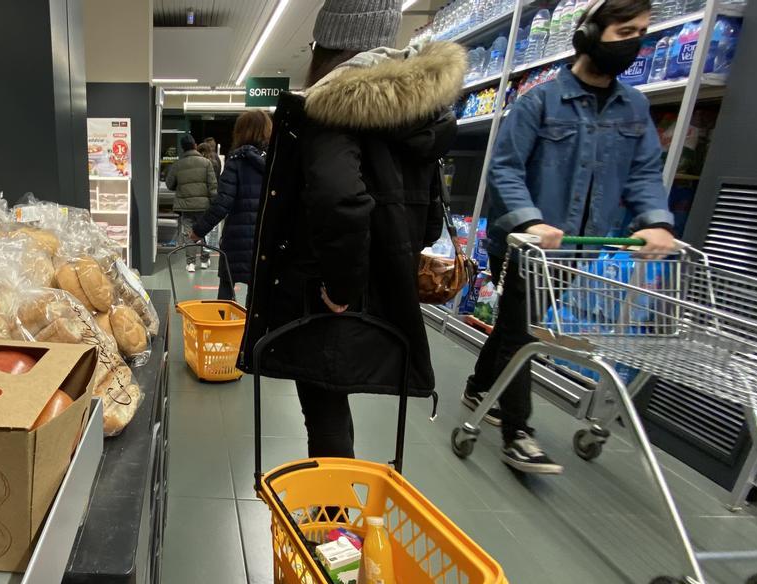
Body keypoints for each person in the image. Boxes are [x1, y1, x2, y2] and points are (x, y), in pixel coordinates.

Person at [241, 0, 465, 459]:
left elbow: (340, 198)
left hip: (324, 291)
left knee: (323, 406)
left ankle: (334, 520)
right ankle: (340, 513)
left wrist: (340, 287)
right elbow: (423, 223)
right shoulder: (419, 113)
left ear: (329, 43)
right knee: (335, 403)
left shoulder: (331, 106)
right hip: (384, 289)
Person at [464, 0, 675, 475]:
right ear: (590, 33)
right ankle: (517, 431)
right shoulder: (539, 101)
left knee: (517, 323)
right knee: (525, 329)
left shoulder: (634, 107)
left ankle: (480, 384)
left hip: (584, 244)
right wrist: (530, 221)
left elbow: (644, 172)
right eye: (624, 32)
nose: (634, 42)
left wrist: (656, 220)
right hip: (528, 244)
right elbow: (505, 169)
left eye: (641, 32)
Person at [188, 111, 271, 301]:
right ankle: (253, 330)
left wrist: (198, 231)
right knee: (258, 294)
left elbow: (223, 202)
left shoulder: (237, 161)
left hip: (236, 238)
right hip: (265, 239)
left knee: (226, 289)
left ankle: (223, 327)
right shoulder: (276, 162)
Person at [165, 134, 218, 272]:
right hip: (204, 206)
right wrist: (214, 204)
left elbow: (170, 184)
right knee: (205, 232)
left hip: (186, 207)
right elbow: (213, 186)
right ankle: (205, 260)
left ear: (182, 148)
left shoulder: (177, 165)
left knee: (189, 234)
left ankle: (191, 263)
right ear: (195, 146)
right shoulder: (206, 163)